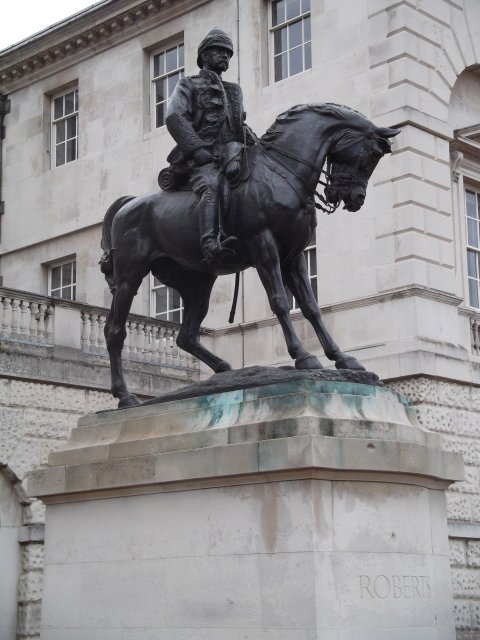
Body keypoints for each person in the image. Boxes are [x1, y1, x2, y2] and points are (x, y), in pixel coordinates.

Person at [165, 28, 255, 266]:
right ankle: (209, 244)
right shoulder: (188, 85)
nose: (225, 56)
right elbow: (175, 117)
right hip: (204, 159)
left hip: (233, 155)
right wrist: (196, 150)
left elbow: (238, 125)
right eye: (219, 51)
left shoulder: (235, 90)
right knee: (212, 185)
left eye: (228, 53)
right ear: (204, 55)